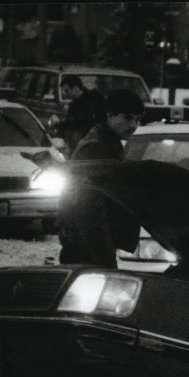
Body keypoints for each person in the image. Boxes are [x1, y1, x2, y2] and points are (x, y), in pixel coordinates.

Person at [58, 89, 145, 267]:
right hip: (87, 247)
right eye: (127, 118)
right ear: (110, 115)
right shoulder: (97, 148)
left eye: (137, 119)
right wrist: (105, 259)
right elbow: (89, 207)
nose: (133, 125)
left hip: (88, 244)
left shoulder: (108, 144)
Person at [55, 75, 105, 154]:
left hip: (96, 142)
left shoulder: (94, 98)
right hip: (80, 144)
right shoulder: (73, 105)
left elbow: (97, 119)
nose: (65, 94)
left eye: (67, 90)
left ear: (75, 88)